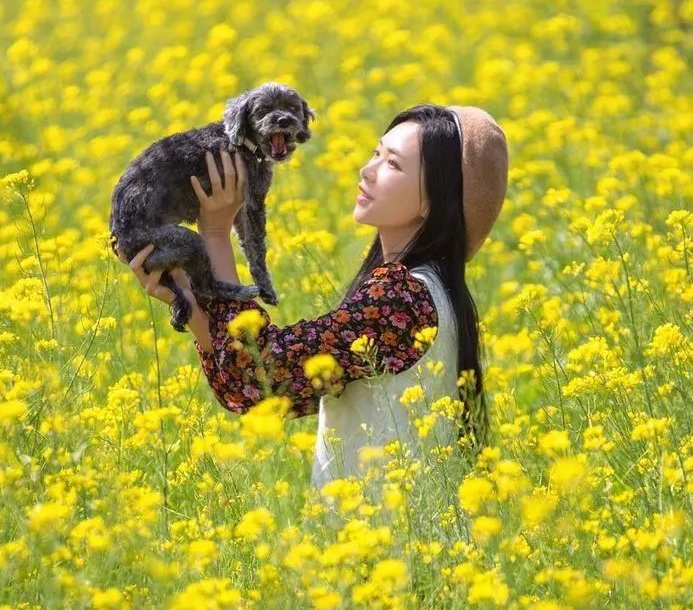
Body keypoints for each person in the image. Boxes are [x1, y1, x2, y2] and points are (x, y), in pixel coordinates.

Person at [125, 102, 509, 488]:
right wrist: (193, 309)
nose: (367, 170)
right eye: (376, 153)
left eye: (392, 164)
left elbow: (262, 375)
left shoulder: (403, 299)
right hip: (373, 538)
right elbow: (251, 390)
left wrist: (215, 234)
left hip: (379, 541)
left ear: (436, 199)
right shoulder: (420, 291)